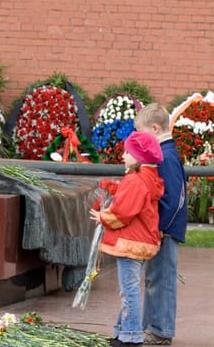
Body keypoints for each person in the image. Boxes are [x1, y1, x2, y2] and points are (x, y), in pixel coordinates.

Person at [90, 131, 164, 347]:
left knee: (128, 290)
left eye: (127, 152)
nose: (122, 156)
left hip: (130, 242)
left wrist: (102, 216)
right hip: (141, 242)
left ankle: (131, 336)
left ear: (139, 156)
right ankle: (122, 331)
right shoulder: (148, 179)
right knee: (129, 288)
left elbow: (123, 212)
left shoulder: (135, 180)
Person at [135, 103, 187, 345]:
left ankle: (161, 332)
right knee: (154, 278)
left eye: (141, 132)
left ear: (154, 129)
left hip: (164, 230)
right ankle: (151, 327)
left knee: (162, 279)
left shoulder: (165, 156)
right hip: (161, 229)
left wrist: (160, 227)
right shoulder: (164, 153)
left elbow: (175, 198)